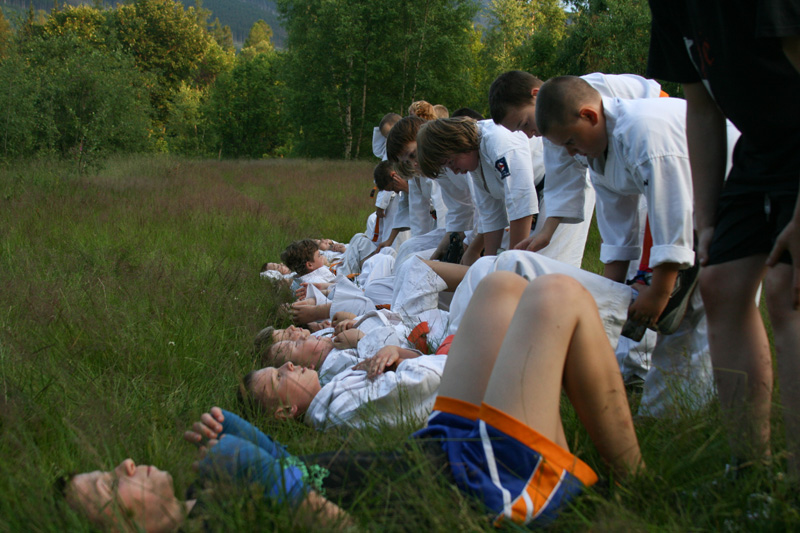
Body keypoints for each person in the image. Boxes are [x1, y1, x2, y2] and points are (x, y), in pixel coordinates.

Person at [65, 274, 642, 530]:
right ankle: (635, 485)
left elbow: (308, 474)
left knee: (500, 289)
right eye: (111, 487)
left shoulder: (206, 490)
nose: (127, 465)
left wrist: (256, 444)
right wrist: (267, 476)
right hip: (477, 488)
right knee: (557, 296)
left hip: (435, 449)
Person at [647, 0, 800, 478]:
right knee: (720, 285)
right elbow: (702, 107)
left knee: (789, 293)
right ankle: (750, 470)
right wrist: (706, 216)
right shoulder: (672, 7)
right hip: (760, 149)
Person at [488, 70, 664, 268]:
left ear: (536, 95)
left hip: (657, 152)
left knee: (655, 238)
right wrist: (546, 232)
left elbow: (655, 110)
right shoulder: (554, 135)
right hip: (619, 176)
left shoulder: (586, 90)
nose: (528, 134)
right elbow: (563, 179)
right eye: (520, 131)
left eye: (525, 124)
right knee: (626, 246)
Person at [416, 116, 538, 255]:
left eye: (450, 162)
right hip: (533, 206)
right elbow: (492, 215)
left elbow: (521, 201)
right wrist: (487, 259)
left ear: (458, 143)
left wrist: (513, 258)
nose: (455, 171)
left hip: (547, 197)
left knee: (527, 262)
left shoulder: (498, 140)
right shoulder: (475, 160)